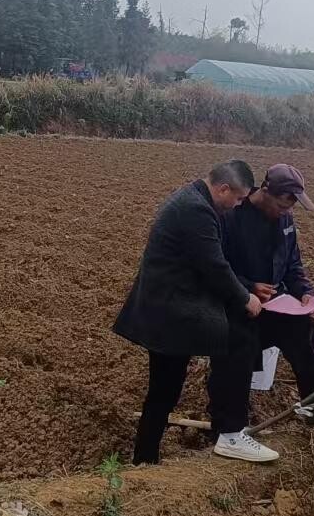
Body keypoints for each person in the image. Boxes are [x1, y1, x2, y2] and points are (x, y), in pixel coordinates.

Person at [113, 161, 281, 465]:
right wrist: (246, 298)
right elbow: (214, 266)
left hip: (170, 305)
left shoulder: (194, 198)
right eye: (239, 199)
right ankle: (226, 434)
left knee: (166, 387)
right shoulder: (197, 211)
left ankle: (148, 456)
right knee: (173, 382)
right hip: (168, 311)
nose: (239, 205)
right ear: (223, 189)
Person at [221, 162, 314, 430]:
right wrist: (248, 287)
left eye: (291, 208)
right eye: (282, 205)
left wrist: (305, 292)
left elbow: (292, 265)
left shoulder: (285, 221)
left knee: (307, 333)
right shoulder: (233, 216)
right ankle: (232, 420)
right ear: (265, 191)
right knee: (240, 352)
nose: (287, 212)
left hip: (276, 305)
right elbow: (217, 266)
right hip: (237, 306)